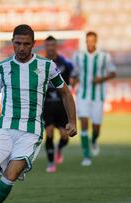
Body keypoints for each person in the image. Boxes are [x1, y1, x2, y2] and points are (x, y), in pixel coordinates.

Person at [0, 24, 77, 203]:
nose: (21, 48)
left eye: (26, 44)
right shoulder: (3, 67)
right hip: (5, 127)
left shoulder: (47, 66)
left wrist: (72, 121)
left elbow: (65, 92)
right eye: (18, 43)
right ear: (12, 42)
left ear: (33, 44)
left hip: (30, 132)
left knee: (11, 174)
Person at [71, 31, 116, 166]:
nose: (90, 43)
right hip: (82, 95)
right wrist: (73, 81)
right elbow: (75, 73)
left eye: (92, 41)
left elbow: (113, 73)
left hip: (98, 96)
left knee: (96, 128)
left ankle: (94, 140)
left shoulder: (104, 57)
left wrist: (101, 79)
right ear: (85, 41)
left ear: (96, 41)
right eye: (88, 41)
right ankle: (86, 155)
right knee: (84, 123)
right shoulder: (78, 56)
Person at [43, 36, 74, 173]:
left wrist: (73, 85)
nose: (50, 48)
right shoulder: (40, 63)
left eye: (52, 45)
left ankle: (59, 149)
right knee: (49, 132)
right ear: (45, 47)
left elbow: (75, 75)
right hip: (47, 104)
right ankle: (51, 162)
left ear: (56, 46)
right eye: (47, 45)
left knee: (64, 136)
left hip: (62, 105)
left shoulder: (65, 63)